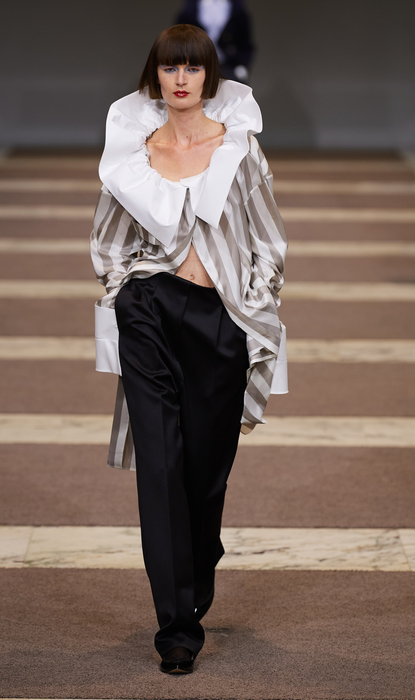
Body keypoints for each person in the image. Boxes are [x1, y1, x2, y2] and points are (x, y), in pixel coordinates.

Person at [90, 24, 287, 674]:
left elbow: (267, 240)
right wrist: (124, 292)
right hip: (148, 312)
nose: (180, 79)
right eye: (170, 68)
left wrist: (251, 306)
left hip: (219, 318)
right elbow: (108, 242)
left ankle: (199, 563)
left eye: (192, 67)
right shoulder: (132, 156)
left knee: (206, 471)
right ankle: (176, 628)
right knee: (161, 466)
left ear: (209, 77)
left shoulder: (239, 151)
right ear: (155, 77)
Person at [177, 0, 254, 82]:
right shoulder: (191, 5)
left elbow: (245, 42)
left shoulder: (237, 6)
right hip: (195, 64)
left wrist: (242, 66)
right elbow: (179, 39)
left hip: (229, 66)